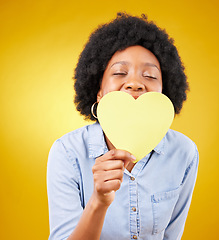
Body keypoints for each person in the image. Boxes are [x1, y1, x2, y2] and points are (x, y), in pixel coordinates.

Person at [47, 12, 199, 240]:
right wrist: (98, 202)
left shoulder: (184, 153)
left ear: (164, 93)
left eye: (149, 75)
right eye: (119, 73)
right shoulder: (67, 153)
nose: (135, 83)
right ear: (98, 91)